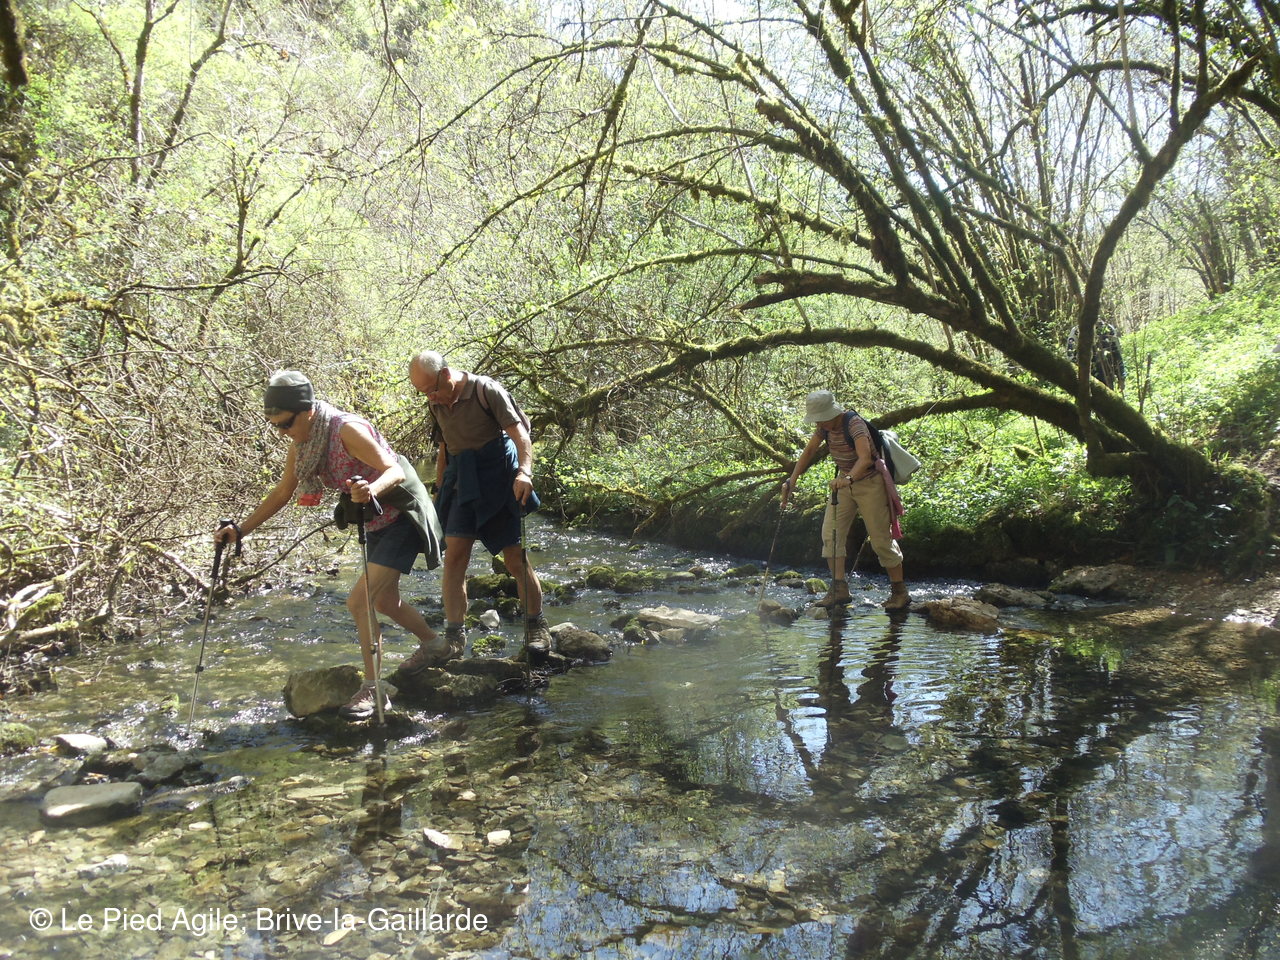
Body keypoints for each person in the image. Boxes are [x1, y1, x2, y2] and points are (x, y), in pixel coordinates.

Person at [215, 371, 445, 720]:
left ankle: (374, 689)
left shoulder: (346, 430)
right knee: (383, 600)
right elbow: (283, 492)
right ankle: (435, 645)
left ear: (307, 411)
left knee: (359, 601)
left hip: (402, 514)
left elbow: (394, 470)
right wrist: (240, 529)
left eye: (286, 423)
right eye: (275, 426)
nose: (282, 432)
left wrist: (370, 490)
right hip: (375, 518)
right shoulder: (303, 442)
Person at [407, 350, 552, 663]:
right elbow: (445, 447)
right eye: (423, 393)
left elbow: (521, 436)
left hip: (498, 478)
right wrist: (439, 490)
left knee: (514, 559)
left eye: (432, 390)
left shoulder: (487, 391)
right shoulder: (435, 402)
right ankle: (454, 637)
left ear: (446, 375)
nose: (430, 398)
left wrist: (525, 473)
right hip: (462, 481)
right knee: (454, 558)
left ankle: (536, 626)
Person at [781, 390, 910, 611]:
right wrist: (792, 480)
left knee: (881, 539)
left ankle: (899, 592)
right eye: (817, 420)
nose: (819, 423)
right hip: (843, 485)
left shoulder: (854, 424)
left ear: (833, 413)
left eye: (822, 418)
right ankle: (839, 589)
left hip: (870, 483)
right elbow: (810, 450)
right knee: (830, 535)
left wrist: (848, 479)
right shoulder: (824, 426)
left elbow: (865, 458)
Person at [1066, 320, 1126, 391]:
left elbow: (1117, 354)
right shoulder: (1077, 331)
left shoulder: (1108, 329)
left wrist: (1121, 377)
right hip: (1085, 379)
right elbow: (1071, 356)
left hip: (1107, 377)